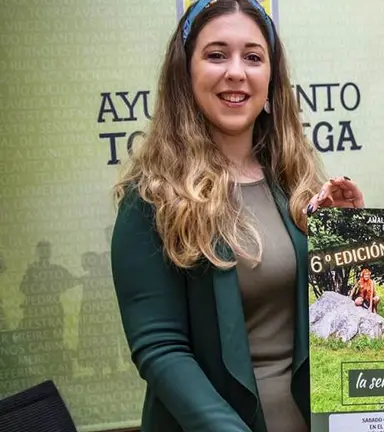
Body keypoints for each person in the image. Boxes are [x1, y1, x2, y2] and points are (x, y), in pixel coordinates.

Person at [110, 1, 363, 431]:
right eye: (215, 55)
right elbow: (161, 349)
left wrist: (345, 241)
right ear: (184, 74)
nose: (236, 71)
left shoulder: (295, 183)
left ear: (271, 77)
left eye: (252, 56)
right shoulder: (151, 197)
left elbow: (334, 317)